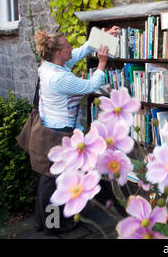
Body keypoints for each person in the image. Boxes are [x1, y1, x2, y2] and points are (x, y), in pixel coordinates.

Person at [33, 26, 121, 234]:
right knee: (51, 180)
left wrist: (102, 36)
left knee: (49, 178)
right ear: (57, 53)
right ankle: (54, 225)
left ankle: (43, 222)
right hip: (59, 131)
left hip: (53, 126)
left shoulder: (51, 65)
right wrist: (102, 62)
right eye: (67, 46)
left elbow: (80, 51)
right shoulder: (59, 78)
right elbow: (90, 86)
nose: (72, 48)